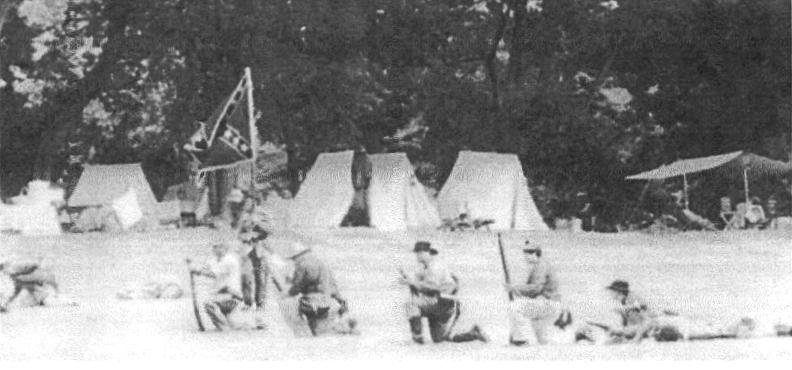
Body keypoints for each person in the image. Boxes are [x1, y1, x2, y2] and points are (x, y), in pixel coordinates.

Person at [399, 241, 489, 344]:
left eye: (418, 253)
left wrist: (413, 283)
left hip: (444, 303)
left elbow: (433, 287)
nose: (416, 256)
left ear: (424, 253)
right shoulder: (424, 267)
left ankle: (418, 338)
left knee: (411, 305)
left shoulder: (436, 266)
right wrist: (412, 284)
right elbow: (421, 290)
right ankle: (473, 333)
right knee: (441, 339)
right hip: (437, 304)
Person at [284, 242, 357, 336]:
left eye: (293, 259)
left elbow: (296, 287)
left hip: (312, 304)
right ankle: (346, 329)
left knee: (292, 309)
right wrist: (340, 301)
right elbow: (332, 285)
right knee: (326, 331)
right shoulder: (321, 263)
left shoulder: (302, 265)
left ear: (297, 256)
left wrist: (286, 293)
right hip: (329, 302)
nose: (294, 261)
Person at [505, 241, 566, 346]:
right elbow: (533, 293)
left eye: (528, 254)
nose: (525, 257)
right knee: (542, 342)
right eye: (525, 254)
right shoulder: (541, 265)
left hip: (548, 305)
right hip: (550, 306)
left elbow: (536, 288)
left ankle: (522, 340)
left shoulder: (541, 265)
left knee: (515, 307)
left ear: (535, 254)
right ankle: (524, 340)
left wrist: (515, 287)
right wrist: (516, 291)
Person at [188, 243, 243, 331]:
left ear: (225, 248)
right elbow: (204, 269)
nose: (216, 249)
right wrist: (193, 267)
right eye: (214, 247)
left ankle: (223, 328)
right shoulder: (213, 260)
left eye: (219, 247)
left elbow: (214, 274)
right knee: (231, 324)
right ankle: (229, 328)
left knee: (208, 305)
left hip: (232, 294)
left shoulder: (230, 260)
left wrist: (197, 271)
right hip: (221, 294)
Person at [237, 223, 271, 329]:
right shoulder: (255, 245)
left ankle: (255, 321)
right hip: (256, 273)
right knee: (258, 298)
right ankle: (257, 321)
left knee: (257, 298)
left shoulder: (255, 244)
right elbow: (258, 256)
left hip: (256, 272)